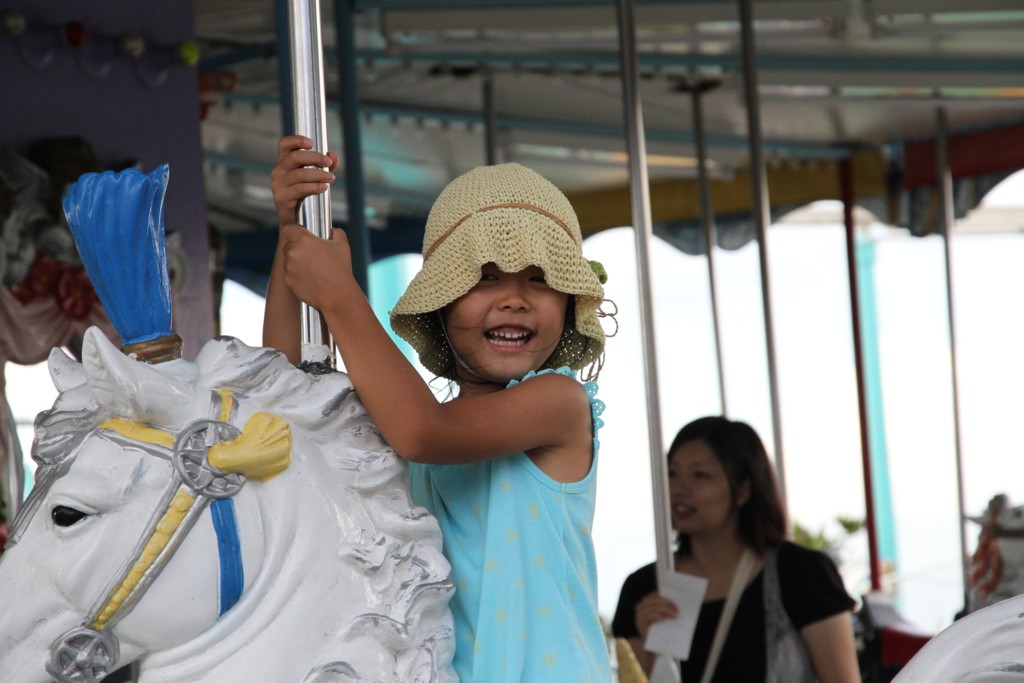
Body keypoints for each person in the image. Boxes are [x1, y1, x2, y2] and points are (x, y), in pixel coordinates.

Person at [263, 135, 614, 682]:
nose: (514, 297)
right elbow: (287, 394)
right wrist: (292, 231)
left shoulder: (559, 403)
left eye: (540, 279)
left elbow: (425, 433)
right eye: (485, 277)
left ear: (568, 306)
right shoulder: (405, 426)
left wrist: (339, 295)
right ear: (442, 303)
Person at [611, 416, 860, 683]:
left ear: (743, 490)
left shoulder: (802, 574)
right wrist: (647, 646)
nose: (679, 488)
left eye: (700, 475)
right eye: (671, 473)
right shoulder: (645, 588)